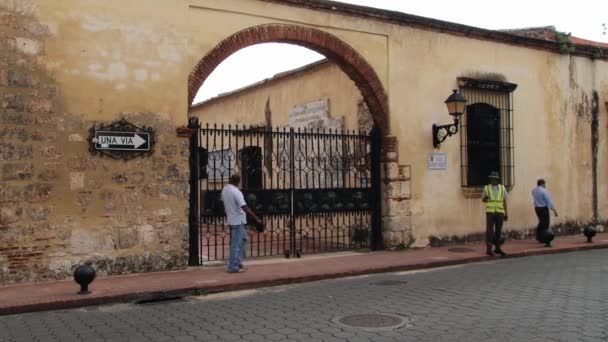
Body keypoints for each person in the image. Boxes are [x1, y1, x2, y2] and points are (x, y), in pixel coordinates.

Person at [221, 173, 262, 273]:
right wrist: (256, 219)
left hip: (232, 219)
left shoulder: (225, 189)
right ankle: (232, 267)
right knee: (236, 244)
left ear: (231, 180)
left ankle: (237, 261)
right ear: (238, 182)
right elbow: (244, 207)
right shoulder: (236, 192)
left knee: (243, 239)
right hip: (238, 221)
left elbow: (223, 203)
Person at [482, 171, 508, 257]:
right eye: (491, 179)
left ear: (497, 179)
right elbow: (483, 200)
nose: (491, 180)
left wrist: (506, 213)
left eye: (493, 179)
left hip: (500, 212)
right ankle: (489, 249)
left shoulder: (502, 188)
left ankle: (497, 248)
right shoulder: (487, 188)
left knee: (498, 231)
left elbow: (504, 201)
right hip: (490, 212)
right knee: (489, 231)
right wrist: (485, 198)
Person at [531, 178, 558, 243]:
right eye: (544, 184)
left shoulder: (534, 190)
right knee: (545, 224)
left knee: (541, 222)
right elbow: (549, 201)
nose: (545, 185)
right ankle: (544, 237)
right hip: (543, 208)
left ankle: (538, 236)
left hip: (537, 208)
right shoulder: (543, 191)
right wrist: (554, 210)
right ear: (543, 184)